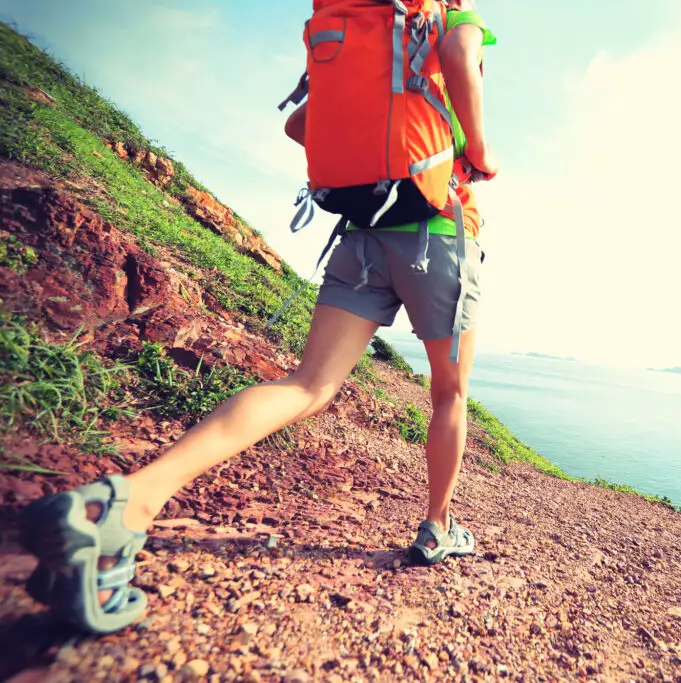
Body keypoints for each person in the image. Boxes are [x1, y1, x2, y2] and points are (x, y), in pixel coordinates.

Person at [17, 0, 498, 635]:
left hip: (360, 234)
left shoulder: (354, 26)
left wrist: (370, 152)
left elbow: (300, 126)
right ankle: (438, 527)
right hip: (437, 232)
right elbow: (464, 58)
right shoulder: (449, 17)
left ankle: (128, 502)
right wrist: (479, 155)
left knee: (307, 386)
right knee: (449, 391)